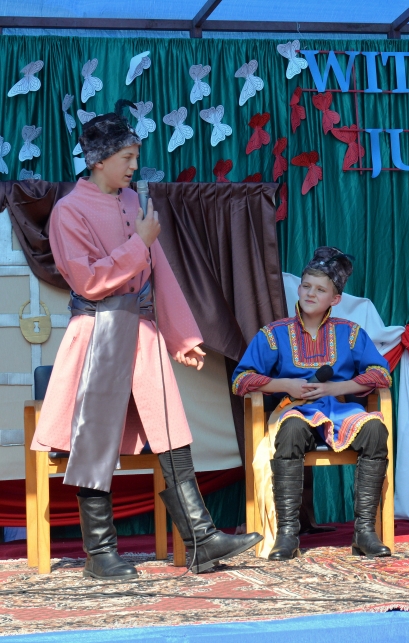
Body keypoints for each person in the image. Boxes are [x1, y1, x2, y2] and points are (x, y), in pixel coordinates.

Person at [32, 100, 262, 580]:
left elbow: (160, 273)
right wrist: (139, 243)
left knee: (170, 429)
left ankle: (201, 539)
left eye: (135, 157)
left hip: (142, 333)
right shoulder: (68, 212)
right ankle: (99, 553)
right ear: (99, 160)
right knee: (95, 437)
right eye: (127, 158)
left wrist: (182, 336)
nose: (135, 166)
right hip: (97, 334)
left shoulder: (134, 203)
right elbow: (88, 280)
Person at [232, 247, 394, 559]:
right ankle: (287, 535)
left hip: (340, 410)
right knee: (291, 430)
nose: (310, 293)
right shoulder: (274, 334)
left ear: (335, 299)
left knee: (375, 430)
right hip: (294, 410)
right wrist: (285, 384)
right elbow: (241, 380)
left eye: (320, 289)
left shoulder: (350, 333)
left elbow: (381, 374)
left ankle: (365, 532)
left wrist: (337, 387)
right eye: (306, 285)